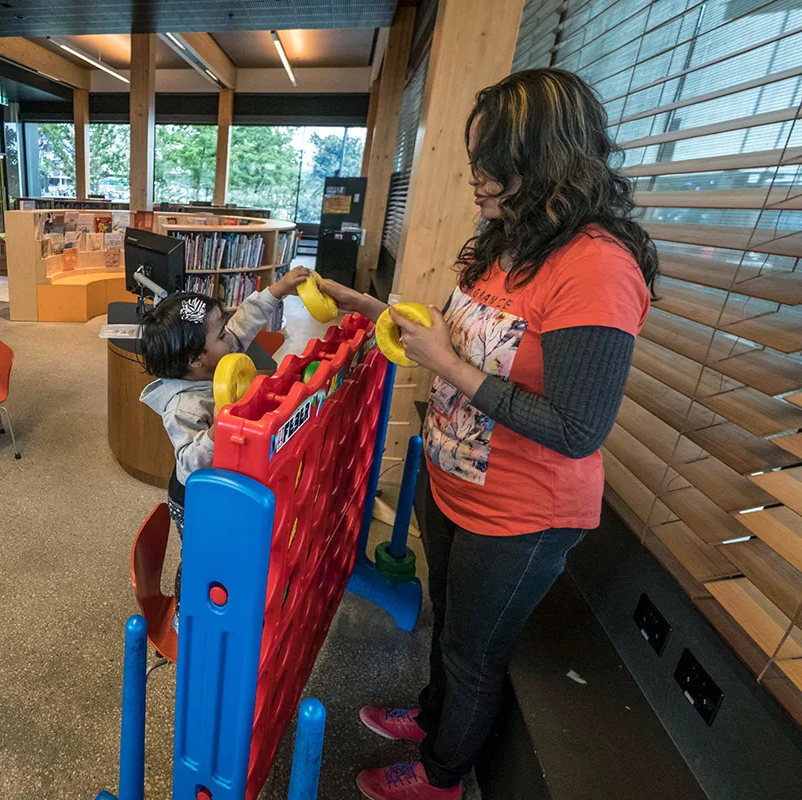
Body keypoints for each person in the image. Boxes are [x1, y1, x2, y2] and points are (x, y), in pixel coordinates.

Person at [321, 68, 657, 800]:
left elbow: (577, 428)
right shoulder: (509, 240)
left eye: (491, 164)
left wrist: (448, 366)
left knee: (475, 653)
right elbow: (463, 341)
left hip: (522, 514)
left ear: (545, 160)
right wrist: (368, 305)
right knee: (448, 627)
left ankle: (443, 776)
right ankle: (433, 716)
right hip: (455, 483)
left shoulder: (597, 266)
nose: (474, 179)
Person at [139, 267, 311, 626]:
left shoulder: (220, 357)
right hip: (193, 497)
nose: (231, 335)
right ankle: (186, 616)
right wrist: (218, 429)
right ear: (196, 359)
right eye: (221, 332)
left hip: (228, 477)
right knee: (202, 554)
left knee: (232, 543)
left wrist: (278, 289)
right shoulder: (183, 406)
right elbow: (188, 463)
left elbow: (245, 320)